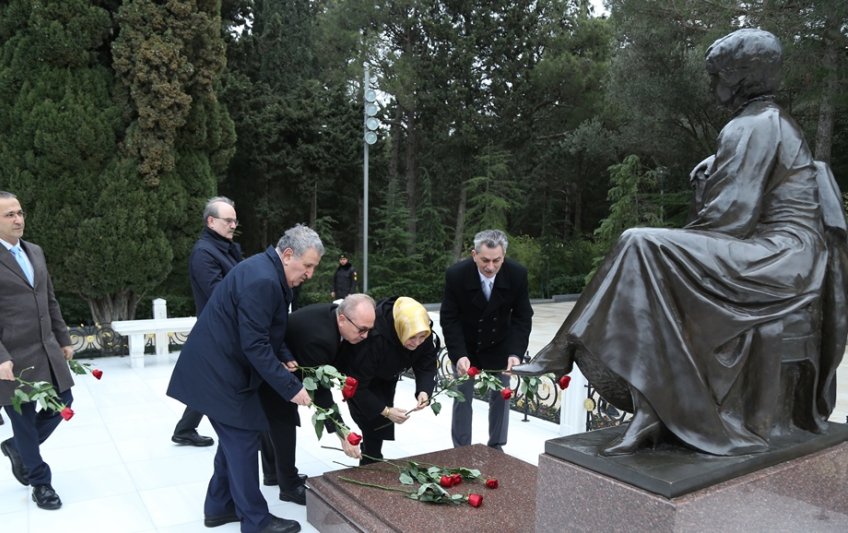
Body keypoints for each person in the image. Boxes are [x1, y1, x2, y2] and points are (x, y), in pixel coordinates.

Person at [517, 29, 847, 457]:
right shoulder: (769, 123)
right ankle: (649, 410)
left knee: (641, 243)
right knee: (648, 255)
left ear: (739, 77)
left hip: (783, 256)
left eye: (716, 76)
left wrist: (680, 240)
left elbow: (730, 219)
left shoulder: (751, 125)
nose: (712, 87)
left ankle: (567, 351)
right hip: (788, 254)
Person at [167, 225, 322, 533]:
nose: (309, 274)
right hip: (218, 372)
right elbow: (254, 344)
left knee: (235, 439)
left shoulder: (266, 271)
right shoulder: (263, 279)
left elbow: (261, 327)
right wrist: (292, 388)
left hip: (220, 366)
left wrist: (284, 353)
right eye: (307, 266)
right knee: (243, 438)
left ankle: (220, 506)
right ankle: (255, 520)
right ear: (288, 254)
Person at [0, 191, 75, 510]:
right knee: (23, 419)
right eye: (9, 214)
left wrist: (63, 338)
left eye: (20, 212)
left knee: (64, 402)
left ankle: (17, 447)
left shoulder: (35, 251)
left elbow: (49, 298)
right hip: (11, 356)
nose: (18, 219)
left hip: (47, 348)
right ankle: (41, 482)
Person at [258, 294, 374, 503]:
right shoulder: (319, 339)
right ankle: (289, 486)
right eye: (362, 330)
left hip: (284, 358)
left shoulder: (335, 315)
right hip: (273, 369)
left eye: (369, 329)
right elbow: (320, 393)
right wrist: (342, 433)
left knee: (273, 422)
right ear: (343, 320)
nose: (365, 335)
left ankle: (272, 473)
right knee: (282, 422)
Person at [440, 229, 532, 451]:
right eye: (485, 260)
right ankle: (461, 449)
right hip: (467, 345)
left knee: (502, 396)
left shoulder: (517, 274)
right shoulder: (456, 275)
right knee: (462, 397)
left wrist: (515, 353)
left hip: (500, 343)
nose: (490, 267)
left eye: (496, 260)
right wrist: (459, 354)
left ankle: (497, 446)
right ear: (474, 255)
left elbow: (522, 317)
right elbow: (449, 318)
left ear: (504, 255)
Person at [171, 196, 243, 447]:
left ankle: (185, 429)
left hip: (225, 328)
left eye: (235, 221)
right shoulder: (204, 253)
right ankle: (232, 430)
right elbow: (218, 294)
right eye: (228, 220)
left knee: (209, 381)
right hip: (217, 329)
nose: (233, 225)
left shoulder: (225, 248)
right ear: (211, 221)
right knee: (217, 380)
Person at [341, 296, 438, 464]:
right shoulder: (375, 337)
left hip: (387, 376)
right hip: (362, 379)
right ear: (401, 328)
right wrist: (386, 411)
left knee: (379, 425)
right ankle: (371, 459)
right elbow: (358, 385)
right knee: (372, 420)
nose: (417, 343)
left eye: (421, 337)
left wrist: (424, 390)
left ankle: (371, 455)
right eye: (411, 338)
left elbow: (427, 364)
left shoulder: (422, 329)